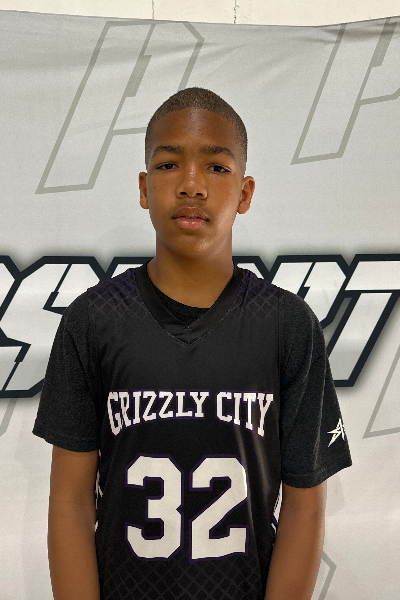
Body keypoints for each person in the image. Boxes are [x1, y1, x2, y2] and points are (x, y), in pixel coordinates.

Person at [33, 87, 352, 600]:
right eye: (168, 165)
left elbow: (305, 506)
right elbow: (69, 501)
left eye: (216, 167)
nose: (191, 185)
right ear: (143, 187)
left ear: (244, 193)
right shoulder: (92, 320)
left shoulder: (288, 325)